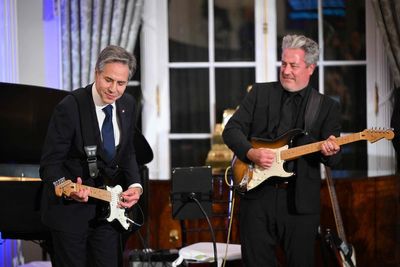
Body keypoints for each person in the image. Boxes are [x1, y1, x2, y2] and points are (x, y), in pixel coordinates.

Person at [222, 34, 342, 267]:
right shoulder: (259, 93)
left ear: (310, 68)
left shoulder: (326, 106)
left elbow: (335, 160)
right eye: (283, 63)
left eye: (293, 65)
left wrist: (330, 151)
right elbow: (232, 130)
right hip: (257, 197)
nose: (286, 70)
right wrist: (250, 153)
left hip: (300, 203)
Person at [40, 45, 143, 267]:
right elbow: (50, 165)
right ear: (96, 73)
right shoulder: (70, 107)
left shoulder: (128, 104)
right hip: (69, 215)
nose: (114, 89)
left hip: (108, 213)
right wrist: (67, 189)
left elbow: (128, 153)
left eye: (121, 83)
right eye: (108, 80)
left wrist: (136, 185)